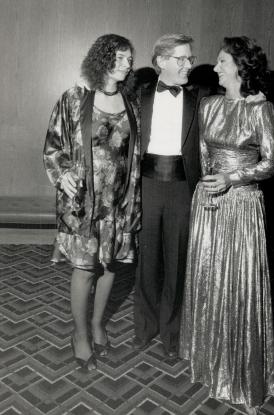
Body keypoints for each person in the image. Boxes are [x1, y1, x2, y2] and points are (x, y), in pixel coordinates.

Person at [179, 36, 274, 414]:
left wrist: (233, 180)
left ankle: (239, 373)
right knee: (209, 280)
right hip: (208, 203)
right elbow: (204, 156)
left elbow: (272, 163)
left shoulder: (262, 110)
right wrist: (208, 191)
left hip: (242, 205)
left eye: (222, 61)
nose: (216, 67)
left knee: (238, 285)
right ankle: (209, 363)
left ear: (239, 67)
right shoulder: (208, 105)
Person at [44, 34, 141, 371]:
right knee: (84, 269)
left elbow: (135, 156)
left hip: (117, 198)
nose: (127, 64)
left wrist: (132, 200)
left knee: (110, 265)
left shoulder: (132, 104)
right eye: (119, 57)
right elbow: (53, 147)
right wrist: (62, 174)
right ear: (101, 59)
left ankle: (98, 324)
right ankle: (80, 333)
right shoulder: (74, 98)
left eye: (129, 58)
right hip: (82, 200)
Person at [133, 33, 206, 358]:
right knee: (146, 260)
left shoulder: (200, 98)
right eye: (182, 59)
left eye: (190, 58)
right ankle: (145, 327)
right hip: (146, 185)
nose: (188, 64)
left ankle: (172, 333)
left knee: (177, 263)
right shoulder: (139, 96)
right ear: (161, 61)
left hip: (181, 188)